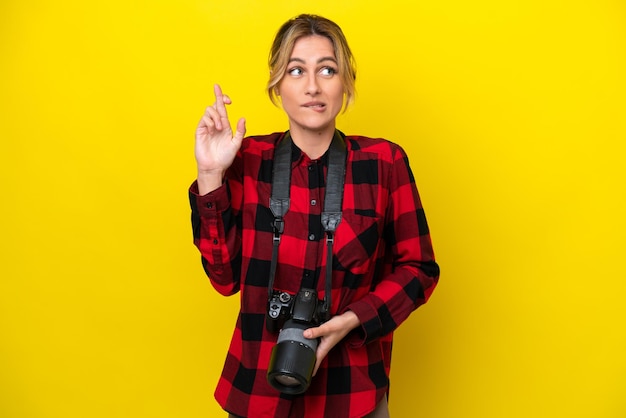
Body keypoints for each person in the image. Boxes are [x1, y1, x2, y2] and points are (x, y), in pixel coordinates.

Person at [189, 14, 439, 418]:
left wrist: (355, 319)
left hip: (353, 392)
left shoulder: (384, 163)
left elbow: (420, 268)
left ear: (346, 83)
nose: (312, 86)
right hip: (256, 391)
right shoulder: (247, 160)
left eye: (327, 69)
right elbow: (224, 280)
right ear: (277, 85)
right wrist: (210, 174)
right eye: (296, 70)